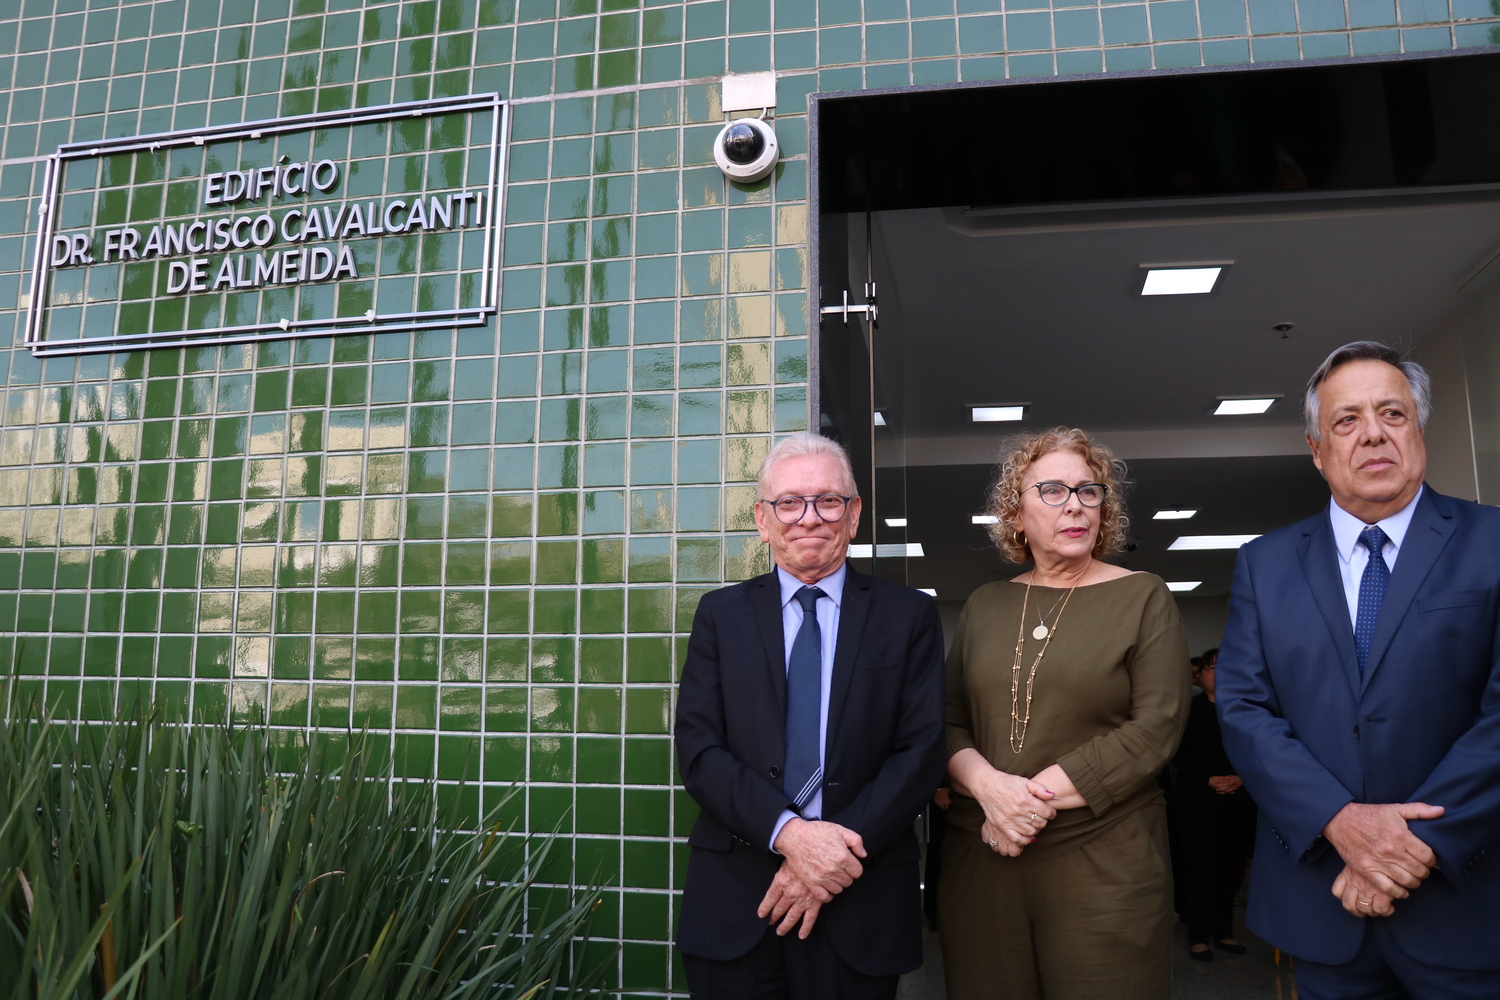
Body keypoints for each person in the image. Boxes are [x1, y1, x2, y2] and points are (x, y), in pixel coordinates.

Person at [1217, 340, 1500, 998]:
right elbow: (1243, 709)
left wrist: (1408, 847)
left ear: (1419, 430)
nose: (1373, 433)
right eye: (1346, 420)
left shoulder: (1492, 542)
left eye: (1392, 413)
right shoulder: (1265, 563)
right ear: (1317, 450)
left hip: (1469, 902)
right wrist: (1341, 822)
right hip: (1323, 903)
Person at [674, 431, 947, 999]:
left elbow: (920, 753)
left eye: (828, 501)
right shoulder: (720, 615)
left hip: (861, 894)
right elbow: (700, 749)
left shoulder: (909, 616)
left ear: (854, 514)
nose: (809, 518)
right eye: (789, 503)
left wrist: (829, 855)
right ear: (762, 518)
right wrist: (792, 836)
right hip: (736, 897)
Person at [940, 427, 1191, 1000]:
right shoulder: (984, 604)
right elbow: (947, 721)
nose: (1074, 505)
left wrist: (1025, 804)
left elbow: (1158, 727)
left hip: (1104, 863)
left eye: (1088, 491)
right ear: (1016, 513)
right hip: (984, 859)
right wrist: (991, 790)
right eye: (1051, 490)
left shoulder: (1144, 595)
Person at [1170, 646, 1256, 961]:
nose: (1220, 674)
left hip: (1237, 801)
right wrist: (1207, 779)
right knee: (1199, 869)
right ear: (1202, 673)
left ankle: (1224, 932)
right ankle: (1198, 937)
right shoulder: (1187, 711)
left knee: (1229, 870)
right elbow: (1175, 753)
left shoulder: (1246, 711)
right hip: (1196, 803)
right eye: (1214, 668)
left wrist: (1242, 778)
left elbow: (1260, 750)